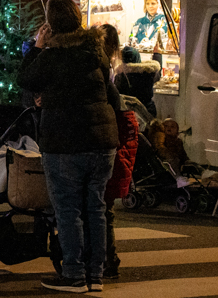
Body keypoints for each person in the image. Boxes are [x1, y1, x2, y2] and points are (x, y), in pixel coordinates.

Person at [17, 0, 120, 293]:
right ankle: (96, 274)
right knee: (96, 208)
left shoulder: (53, 55)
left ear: (51, 24)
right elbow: (104, 89)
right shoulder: (94, 50)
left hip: (65, 141)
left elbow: (26, 78)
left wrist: (38, 45)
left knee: (68, 209)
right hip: (101, 141)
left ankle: (74, 272)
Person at [100, 23, 139, 283]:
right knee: (104, 209)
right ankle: (108, 260)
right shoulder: (109, 73)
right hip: (111, 149)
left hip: (104, 149)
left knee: (100, 209)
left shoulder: (105, 75)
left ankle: (104, 260)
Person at [114, 47, 161, 117]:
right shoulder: (148, 73)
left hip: (127, 113)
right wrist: (157, 54)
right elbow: (158, 75)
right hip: (147, 110)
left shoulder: (119, 75)